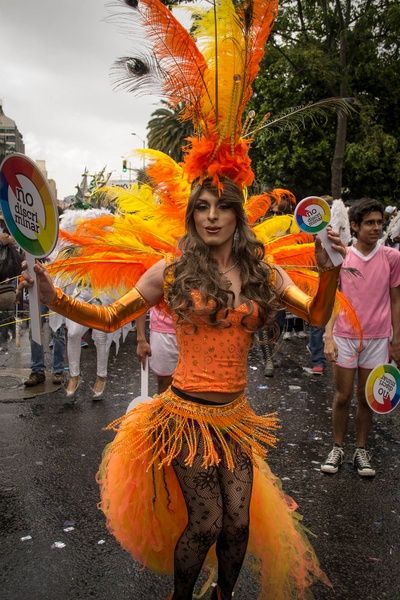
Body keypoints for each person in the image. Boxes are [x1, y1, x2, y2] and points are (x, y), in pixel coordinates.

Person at [22, 177, 344, 600]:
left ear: (237, 214)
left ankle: (222, 595)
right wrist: (56, 298)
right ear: (192, 214)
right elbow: (109, 317)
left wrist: (330, 267)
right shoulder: (173, 272)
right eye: (203, 207)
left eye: (223, 207)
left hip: (236, 419)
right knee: (207, 520)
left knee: (238, 522)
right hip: (185, 417)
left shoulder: (262, 273)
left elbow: (317, 314)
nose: (212, 217)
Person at [321, 198, 400, 477]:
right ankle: (338, 447)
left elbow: (396, 300)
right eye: (369, 223)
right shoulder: (343, 257)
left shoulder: (392, 257)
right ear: (354, 226)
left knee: (366, 398)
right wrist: (328, 336)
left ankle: (361, 450)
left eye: (380, 222)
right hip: (345, 336)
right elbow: (333, 299)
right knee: (342, 396)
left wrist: (396, 340)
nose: (376, 228)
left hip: (378, 339)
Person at [136, 306, 178, 393]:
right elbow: (142, 300)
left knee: (196, 388)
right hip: (164, 331)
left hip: (199, 330)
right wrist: (141, 339)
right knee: (165, 384)